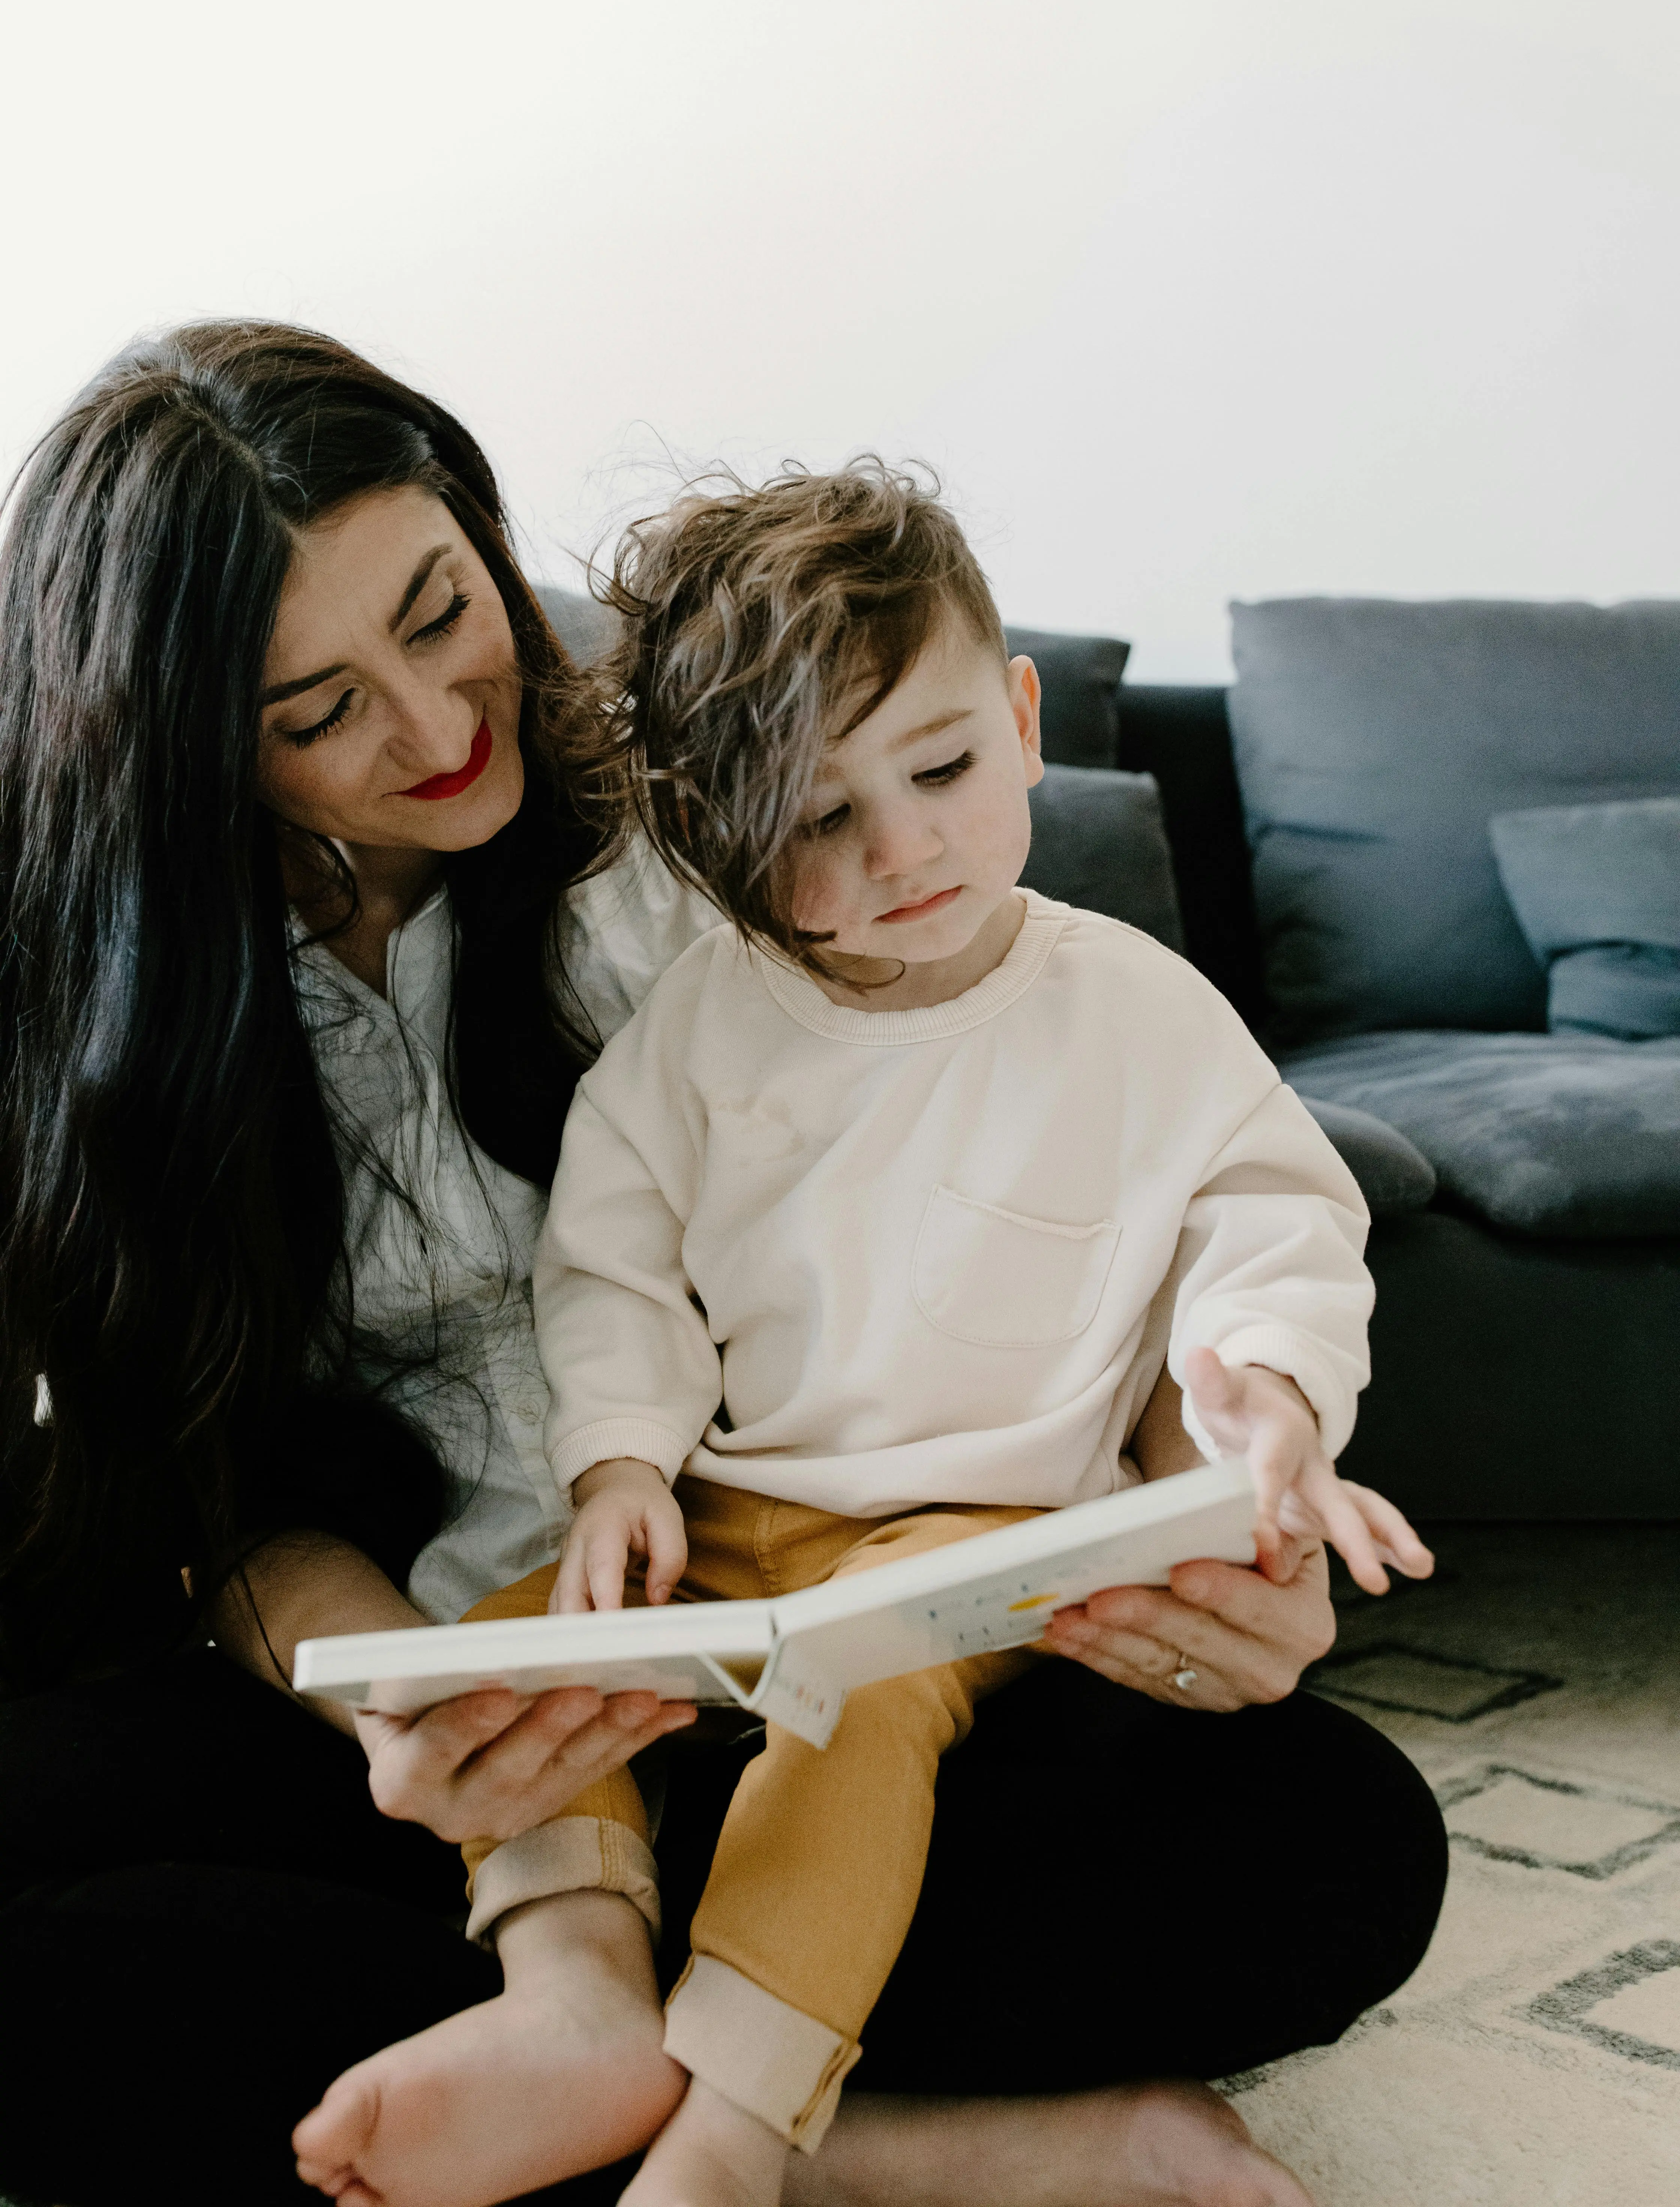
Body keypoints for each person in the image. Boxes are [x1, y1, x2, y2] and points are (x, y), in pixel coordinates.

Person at [0, 332, 1445, 2207]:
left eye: (450, 613)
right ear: (194, 748)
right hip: (469, 1685)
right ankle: (883, 2143)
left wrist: (1201, 1518)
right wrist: (408, 1711)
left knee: (1332, 1850)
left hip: (863, 1643)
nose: (441, 727)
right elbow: (209, 1487)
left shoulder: (746, 812)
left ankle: (688, 2088)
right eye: (317, 713)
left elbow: (1126, 1210)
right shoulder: (134, 1002)